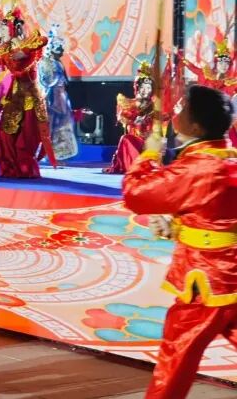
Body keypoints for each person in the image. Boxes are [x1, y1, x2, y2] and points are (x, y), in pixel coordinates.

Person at [123, 85, 237, 399]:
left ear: (196, 127)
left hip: (206, 281)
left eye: (182, 109)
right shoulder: (228, 160)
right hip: (231, 273)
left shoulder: (197, 166)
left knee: (176, 358)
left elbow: (135, 194)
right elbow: (215, 213)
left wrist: (149, 154)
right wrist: (178, 224)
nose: (175, 114)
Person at [0, 6, 55, 178]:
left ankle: (25, 168)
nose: (1, 32)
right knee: (6, 134)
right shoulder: (4, 52)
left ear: (14, 29)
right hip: (14, 97)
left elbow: (43, 39)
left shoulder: (29, 45)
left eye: (3, 29)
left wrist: (24, 52)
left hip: (31, 97)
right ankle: (10, 167)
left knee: (26, 137)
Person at [104, 63, 156, 175]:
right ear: (137, 88)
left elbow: (165, 118)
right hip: (136, 140)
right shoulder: (130, 105)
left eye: (148, 88)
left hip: (150, 141)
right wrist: (134, 121)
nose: (146, 90)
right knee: (125, 138)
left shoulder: (154, 106)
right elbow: (123, 118)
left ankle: (143, 166)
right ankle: (134, 167)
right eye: (143, 88)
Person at [38, 25, 79, 163]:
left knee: (63, 124)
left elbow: (64, 80)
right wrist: (54, 86)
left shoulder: (58, 62)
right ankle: (47, 154)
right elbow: (45, 80)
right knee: (50, 125)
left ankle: (59, 154)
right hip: (51, 97)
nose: (61, 51)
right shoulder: (45, 62)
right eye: (58, 47)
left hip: (61, 97)